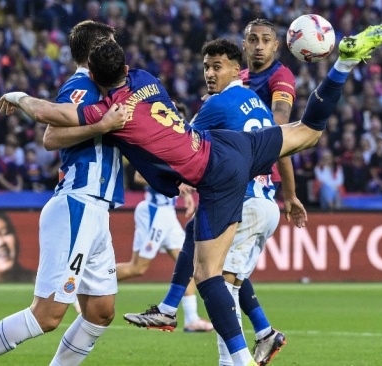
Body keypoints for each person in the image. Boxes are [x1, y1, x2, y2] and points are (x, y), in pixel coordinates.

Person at [0, 25, 382, 366]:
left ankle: (236, 358)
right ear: (124, 65)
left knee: (208, 276)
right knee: (309, 131)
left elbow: (53, 116)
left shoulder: (114, 111)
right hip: (232, 146)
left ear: (99, 83)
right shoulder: (145, 78)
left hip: (215, 174)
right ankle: (344, 64)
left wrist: (18, 98)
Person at [0, 20, 127, 366]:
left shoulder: (109, 87)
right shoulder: (81, 87)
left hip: (99, 211)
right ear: (96, 48)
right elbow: (51, 137)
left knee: (101, 312)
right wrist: (101, 126)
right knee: (47, 315)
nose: (118, 50)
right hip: (78, 203)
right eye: (112, 44)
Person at [123, 18, 302, 365]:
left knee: (218, 286)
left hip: (244, 201)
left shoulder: (222, 103)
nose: (208, 73)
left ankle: (234, 359)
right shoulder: (253, 99)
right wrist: (290, 195)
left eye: (216, 67)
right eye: (206, 67)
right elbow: (283, 145)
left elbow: (178, 144)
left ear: (237, 70)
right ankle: (249, 329)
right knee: (202, 245)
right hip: (264, 202)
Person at [115, 170, 214, 332]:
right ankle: (90, 284)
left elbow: (173, 178)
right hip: (154, 212)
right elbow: (139, 176)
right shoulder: (156, 149)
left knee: (189, 264)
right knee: (137, 268)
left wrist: (185, 195)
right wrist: (175, 185)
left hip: (168, 214)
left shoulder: (175, 149)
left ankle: (192, 319)